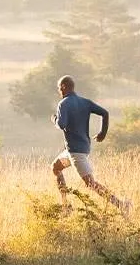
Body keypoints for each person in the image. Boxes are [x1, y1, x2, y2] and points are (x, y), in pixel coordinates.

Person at [50, 75, 131, 214]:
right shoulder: (85, 102)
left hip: (76, 152)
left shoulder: (63, 104)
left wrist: (54, 119)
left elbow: (61, 124)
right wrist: (102, 133)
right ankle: (66, 206)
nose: (59, 91)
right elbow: (105, 113)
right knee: (55, 167)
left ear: (63, 87)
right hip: (76, 150)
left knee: (90, 184)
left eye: (59, 88)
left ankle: (121, 204)